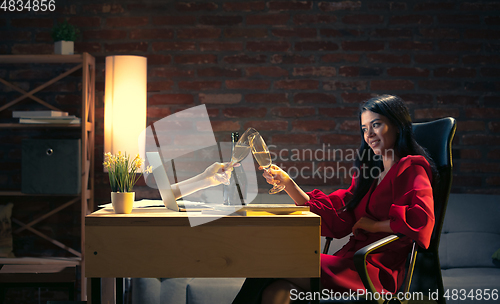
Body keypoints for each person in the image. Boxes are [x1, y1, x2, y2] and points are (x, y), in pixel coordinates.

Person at [232, 95, 437, 304]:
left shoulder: (411, 168)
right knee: (277, 291)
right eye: (365, 128)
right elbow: (338, 217)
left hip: (374, 271)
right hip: (349, 262)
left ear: (397, 125)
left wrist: (374, 226)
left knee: (275, 261)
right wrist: (288, 184)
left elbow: (421, 222)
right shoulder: (369, 175)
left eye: (376, 125)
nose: (370, 134)